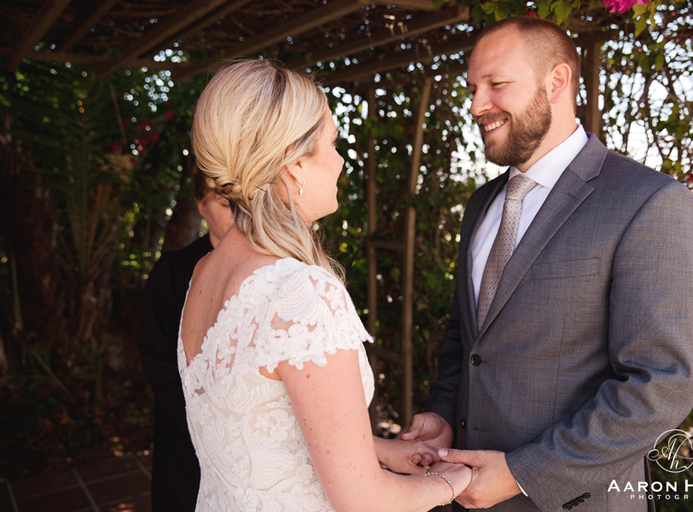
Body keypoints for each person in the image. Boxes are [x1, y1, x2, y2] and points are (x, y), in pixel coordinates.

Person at [401, 16, 693, 512]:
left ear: (557, 81)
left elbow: (661, 384)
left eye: (496, 84)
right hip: (462, 493)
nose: (477, 105)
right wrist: (442, 415)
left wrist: (524, 473)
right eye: (473, 89)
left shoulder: (648, 201)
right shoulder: (481, 205)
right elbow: (467, 341)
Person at [178, 59, 472, 512]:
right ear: (295, 164)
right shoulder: (300, 292)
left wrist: (378, 449)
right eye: (332, 143)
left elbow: (255, 426)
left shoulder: (204, 273)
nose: (340, 160)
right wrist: (451, 483)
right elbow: (364, 501)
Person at [136, 172, 235, 511]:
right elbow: (156, 355)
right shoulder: (172, 271)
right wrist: (205, 421)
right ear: (201, 206)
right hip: (183, 428)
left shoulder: (270, 269)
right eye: (225, 204)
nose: (238, 215)